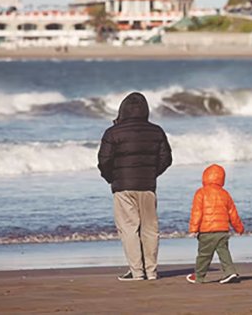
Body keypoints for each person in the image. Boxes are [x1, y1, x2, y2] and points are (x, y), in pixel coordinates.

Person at [97, 92, 172, 281]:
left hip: (123, 186)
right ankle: (152, 272)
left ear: (122, 110)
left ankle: (137, 272)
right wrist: (151, 174)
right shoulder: (156, 131)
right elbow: (166, 159)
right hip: (147, 185)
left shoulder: (113, 132)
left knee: (129, 229)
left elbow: (104, 160)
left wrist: (112, 178)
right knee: (150, 229)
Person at [186, 164, 244, 284]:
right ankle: (230, 272)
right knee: (223, 251)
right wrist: (239, 228)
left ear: (205, 177)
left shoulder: (201, 193)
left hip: (206, 231)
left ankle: (198, 276)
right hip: (222, 230)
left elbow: (197, 212)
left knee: (204, 255)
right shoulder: (225, 194)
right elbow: (233, 213)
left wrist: (193, 228)